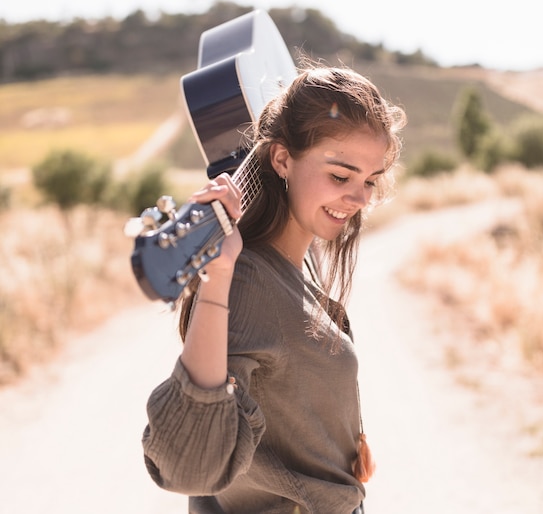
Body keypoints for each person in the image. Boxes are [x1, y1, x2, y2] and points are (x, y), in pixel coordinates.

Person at [142, 65, 406, 513]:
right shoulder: (246, 279)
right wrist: (218, 277)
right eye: (341, 177)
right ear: (282, 159)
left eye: (370, 180)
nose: (360, 199)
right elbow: (190, 467)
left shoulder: (291, 266)